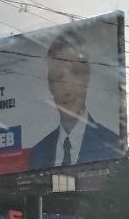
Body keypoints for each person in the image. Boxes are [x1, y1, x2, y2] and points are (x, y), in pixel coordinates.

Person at [28, 29, 120, 170]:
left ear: (87, 77)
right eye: (58, 77)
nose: (67, 88)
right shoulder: (37, 153)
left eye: (76, 72)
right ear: (50, 85)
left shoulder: (113, 144)